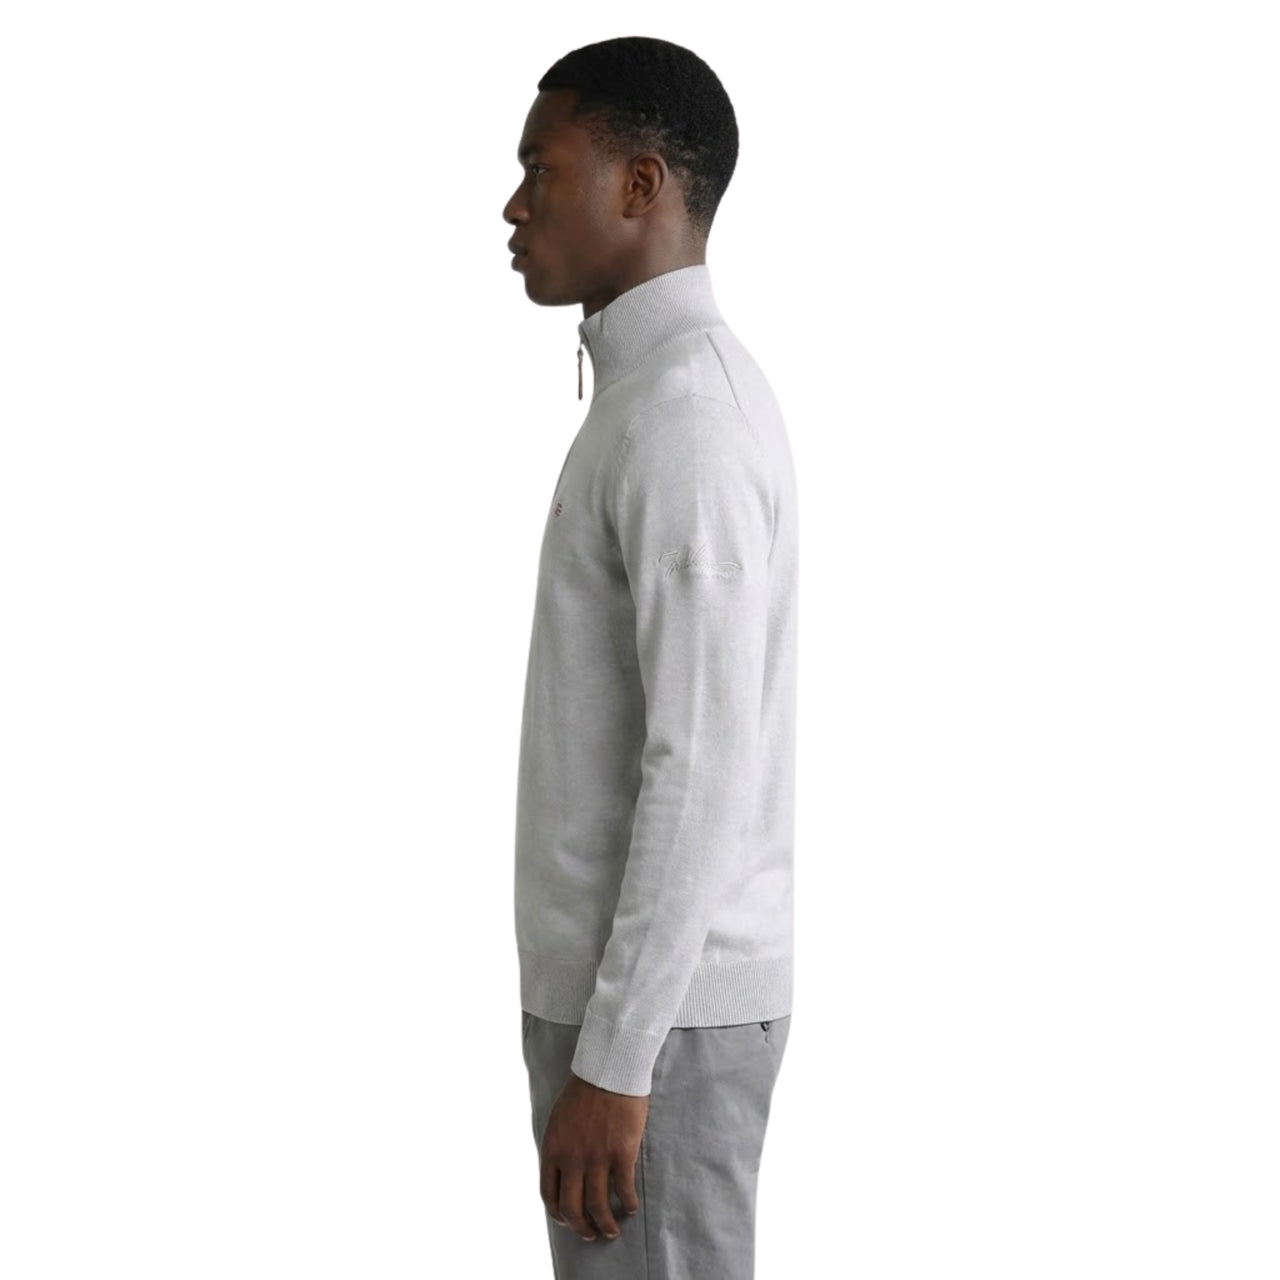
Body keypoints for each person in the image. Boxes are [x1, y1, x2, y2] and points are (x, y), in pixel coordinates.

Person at [503, 35, 799, 1280]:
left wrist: (617, 1061)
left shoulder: (685, 419)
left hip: (653, 1026)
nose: (512, 205)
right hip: (630, 1012)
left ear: (639, 185)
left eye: (541, 168)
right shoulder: (649, 398)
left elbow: (703, 765)